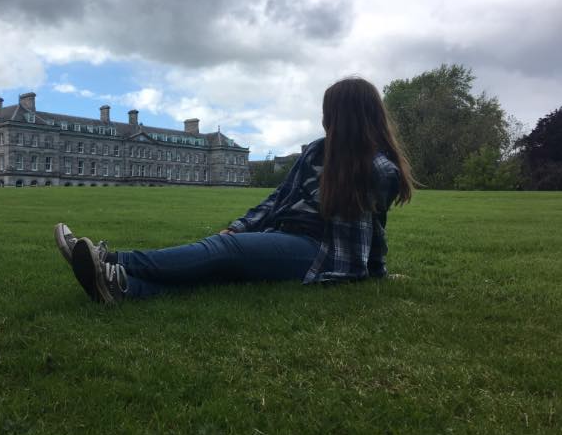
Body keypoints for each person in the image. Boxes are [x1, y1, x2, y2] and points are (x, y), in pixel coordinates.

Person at [54, 77, 414, 304]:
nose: (324, 118)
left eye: (328, 111)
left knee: (221, 251)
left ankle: (114, 260)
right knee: (219, 269)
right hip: (284, 237)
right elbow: (277, 199)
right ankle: (122, 287)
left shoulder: (377, 169)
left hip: (316, 253)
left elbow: (372, 230)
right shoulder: (318, 152)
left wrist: (377, 273)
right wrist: (239, 227)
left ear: (346, 115)